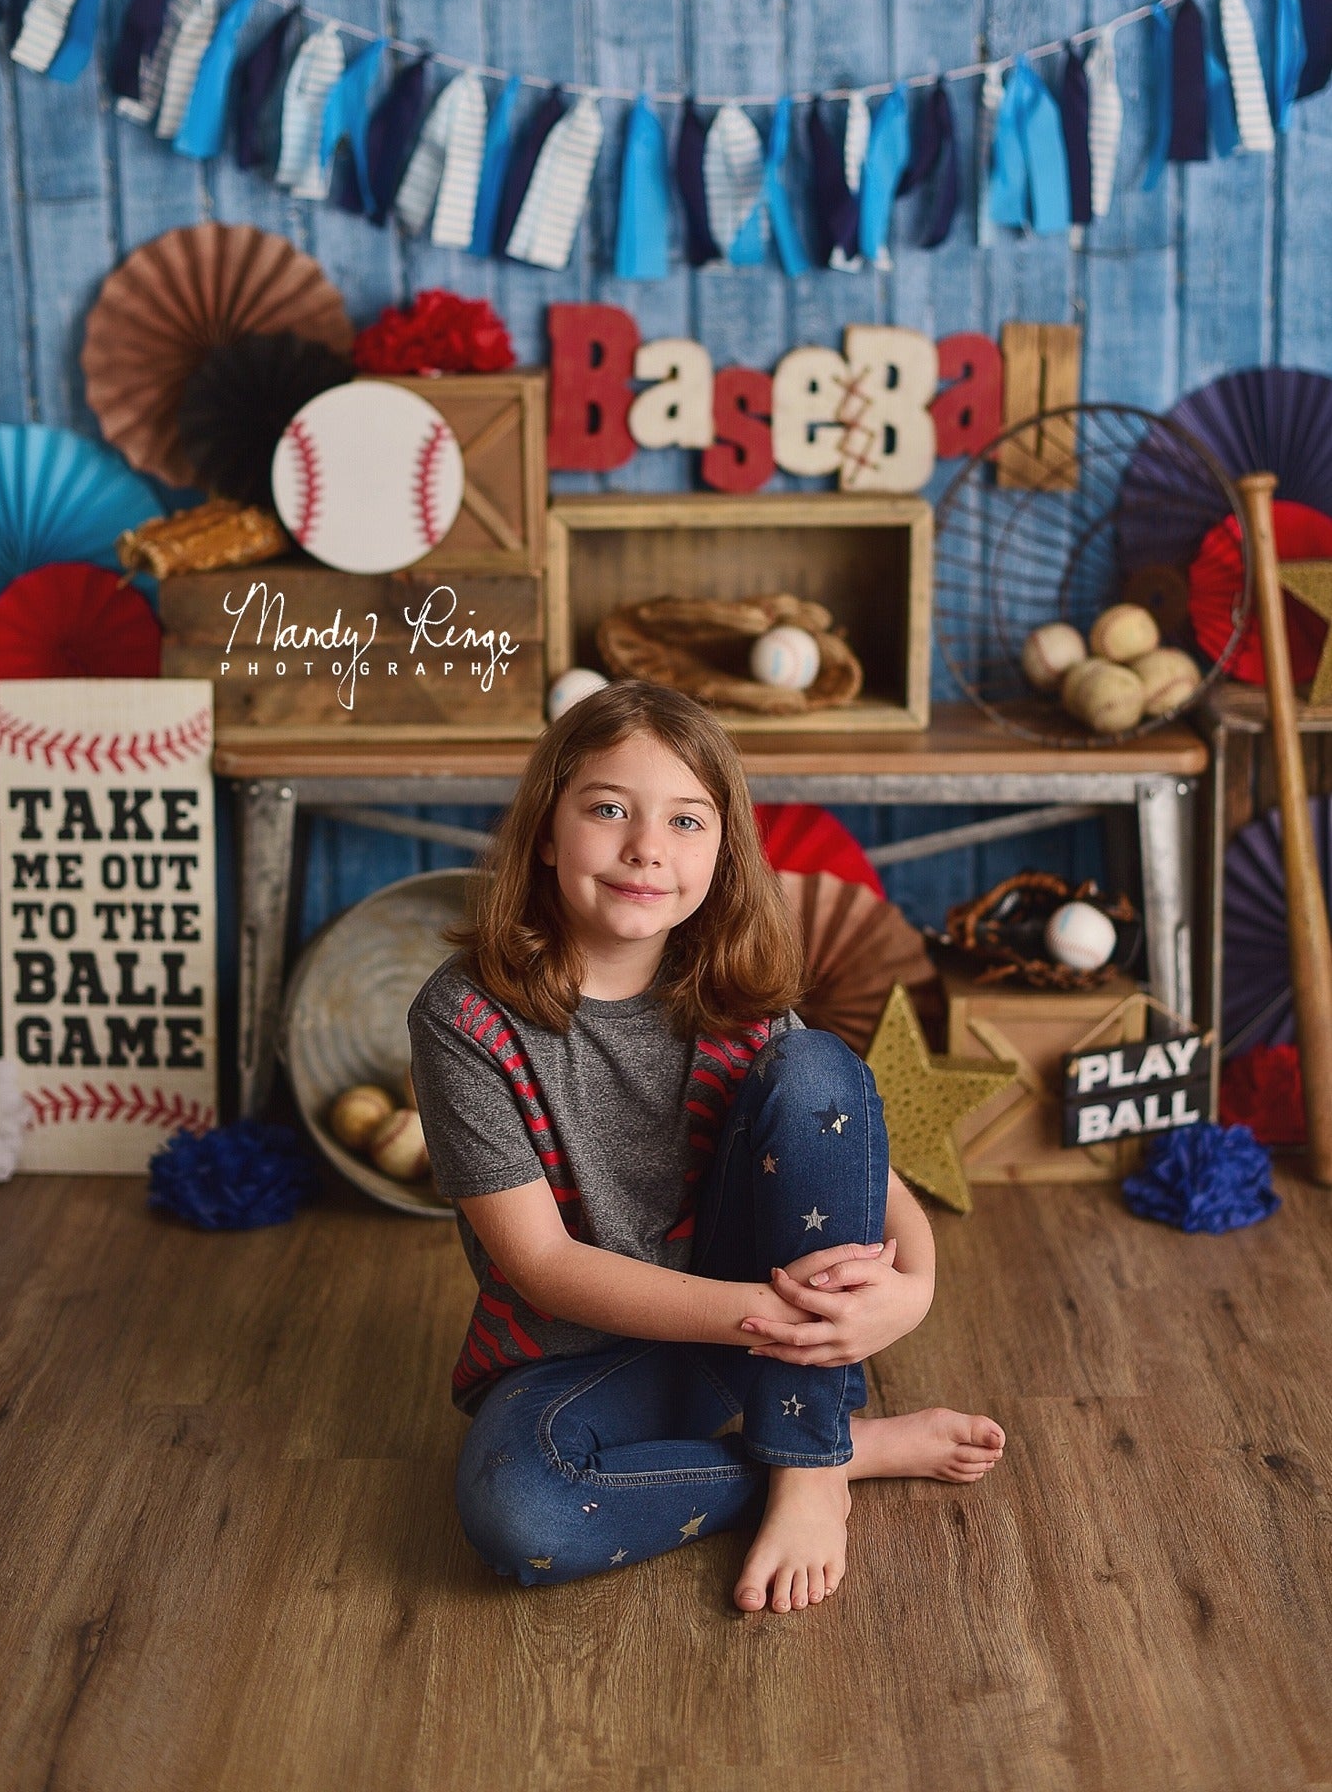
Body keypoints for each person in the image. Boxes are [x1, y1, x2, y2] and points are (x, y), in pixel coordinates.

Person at [408, 679, 1004, 1615]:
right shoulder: (468, 1015)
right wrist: (777, 1322)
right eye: (608, 809)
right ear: (545, 831)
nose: (647, 847)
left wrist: (915, 1288)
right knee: (523, 1515)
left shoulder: (734, 991)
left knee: (816, 1070)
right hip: (590, 1352)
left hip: (755, 1328)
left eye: (687, 821)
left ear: (722, 851)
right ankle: (836, 1454)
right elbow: (542, 1263)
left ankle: (808, 1467)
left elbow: (866, 1175)